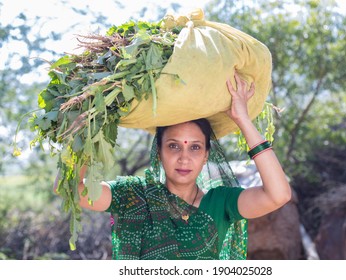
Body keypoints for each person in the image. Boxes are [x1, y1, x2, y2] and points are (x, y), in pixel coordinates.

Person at [54, 72, 291, 260]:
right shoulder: (134, 196)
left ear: (207, 155)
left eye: (195, 147)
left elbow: (278, 195)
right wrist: (83, 133)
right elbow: (71, 191)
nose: (184, 158)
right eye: (174, 146)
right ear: (159, 151)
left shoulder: (221, 203)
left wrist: (243, 120)